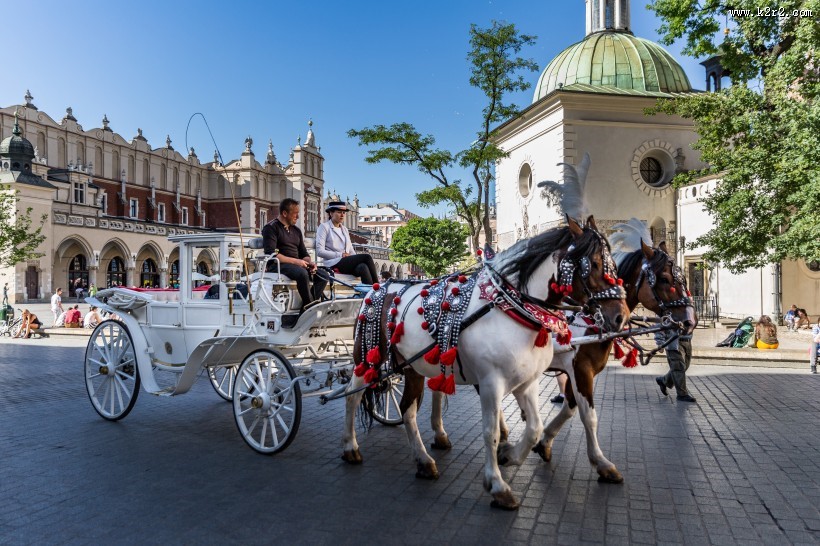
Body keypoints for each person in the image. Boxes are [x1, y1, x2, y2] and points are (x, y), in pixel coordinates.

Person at [262, 198, 327, 311]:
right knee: (302, 273)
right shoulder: (271, 228)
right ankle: (310, 307)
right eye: (295, 214)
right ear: (284, 213)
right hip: (277, 265)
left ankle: (307, 306)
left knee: (323, 275)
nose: (297, 217)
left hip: (296, 265)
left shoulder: (296, 231)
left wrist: (310, 263)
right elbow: (271, 254)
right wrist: (297, 262)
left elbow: (303, 252)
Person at [315, 201, 379, 285]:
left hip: (345, 263)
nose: (342, 215)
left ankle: (369, 294)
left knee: (363, 267)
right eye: (339, 212)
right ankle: (377, 287)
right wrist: (340, 255)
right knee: (367, 257)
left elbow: (351, 250)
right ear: (331, 213)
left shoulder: (344, 229)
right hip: (333, 263)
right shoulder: (324, 227)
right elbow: (319, 251)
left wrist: (356, 259)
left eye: (343, 213)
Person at [655, 328, 697, 402]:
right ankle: (682, 394)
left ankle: (664, 380)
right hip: (673, 342)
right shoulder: (668, 315)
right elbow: (660, 325)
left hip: (687, 341)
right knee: (679, 368)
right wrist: (660, 343)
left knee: (684, 367)